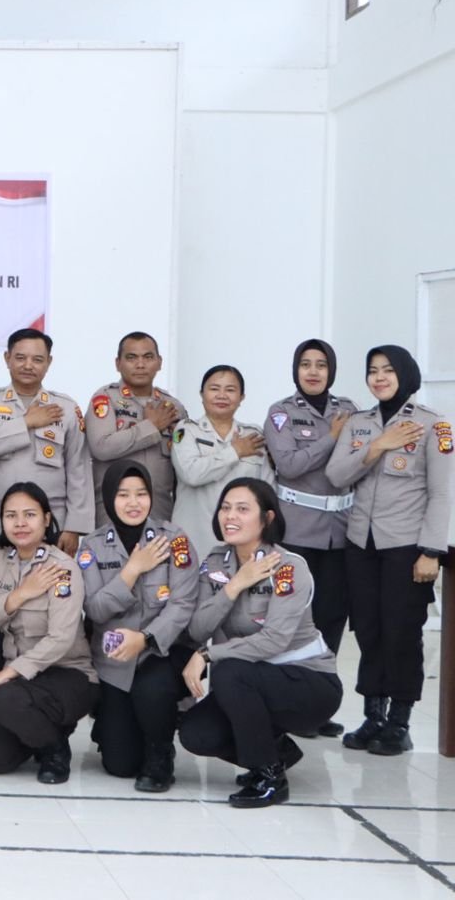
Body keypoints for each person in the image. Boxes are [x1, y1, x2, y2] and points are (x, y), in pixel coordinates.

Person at [179, 479, 343, 808]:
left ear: (267, 518)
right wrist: (234, 586)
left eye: (242, 509)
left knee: (229, 671)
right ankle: (277, 752)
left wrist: (208, 654)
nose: (230, 516)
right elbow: (197, 628)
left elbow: (274, 640)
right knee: (196, 733)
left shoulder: (288, 567)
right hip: (249, 682)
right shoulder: (216, 562)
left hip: (307, 683)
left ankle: (269, 776)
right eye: (225, 508)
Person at [326, 345, 452, 755]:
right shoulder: (359, 424)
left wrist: (431, 550)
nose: (379, 378)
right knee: (368, 630)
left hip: (406, 546)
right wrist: (379, 445)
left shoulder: (434, 425)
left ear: (406, 374)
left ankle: (399, 722)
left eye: (388, 370)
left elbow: (441, 493)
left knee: (401, 632)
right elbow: (336, 475)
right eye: (372, 371)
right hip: (361, 544)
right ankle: (373, 717)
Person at [78, 461, 199, 792]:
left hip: (162, 652)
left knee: (152, 690)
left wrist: (145, 639)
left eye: (141, 494)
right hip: (114, 661)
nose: (133, 503)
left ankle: (161, 753)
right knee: (120, 765)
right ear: (109, 498)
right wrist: (132, 570)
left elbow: (183, 604)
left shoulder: (173, 540)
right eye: (123, 495)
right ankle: (109, 725)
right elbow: (95, 610)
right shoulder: (92, 546)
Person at [0, 483, 96, 783]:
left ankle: (55, 748)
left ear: (46, 519)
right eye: (11, 515)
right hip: (22, 682)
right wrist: (21, 594)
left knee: (6, 699)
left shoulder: (61, 567)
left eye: (30, 514)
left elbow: (60, 640)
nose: (20, 523)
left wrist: (7, 673)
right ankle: (40, 731)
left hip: (67, 674)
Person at [264, 338, 357, 738]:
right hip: (298, 531)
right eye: (306, 364)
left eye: (321, 364)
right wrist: (331, 438)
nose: (314, 371)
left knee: (332, 618)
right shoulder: (281, 413)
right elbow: (288, 465)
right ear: (296, 370)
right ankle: (289, 705)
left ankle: (320, 706)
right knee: (294, 618)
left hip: (341, 533)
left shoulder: (349, 410)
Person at [0, 328, 94, 558]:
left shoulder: (65, 408)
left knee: (53, 581)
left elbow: (79, 469)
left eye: (37, 359)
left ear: (49, 362)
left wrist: (74, 526)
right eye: (20, 357)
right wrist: (26, 422)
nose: (28, 365)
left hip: (51, 522)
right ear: (7, 358)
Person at [172, 365, 273, 548]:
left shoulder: (253, 435)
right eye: (214, 389)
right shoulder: (186, 430)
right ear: (202, 394)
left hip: (242, 540)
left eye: (230, 390)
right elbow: (191, 474)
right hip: (194, 541)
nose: (222, 395)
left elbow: (267, 489)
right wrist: (235, 452)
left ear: (242, 397)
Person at [86, 332, 183, 523]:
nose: (140, 364)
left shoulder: (173, 407)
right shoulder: (106, 398)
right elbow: (101, 447)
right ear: (118, 363)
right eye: (131, 358)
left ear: (159, 362)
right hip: (113, 514)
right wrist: (151, 427)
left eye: (148, 357)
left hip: (160, 512)